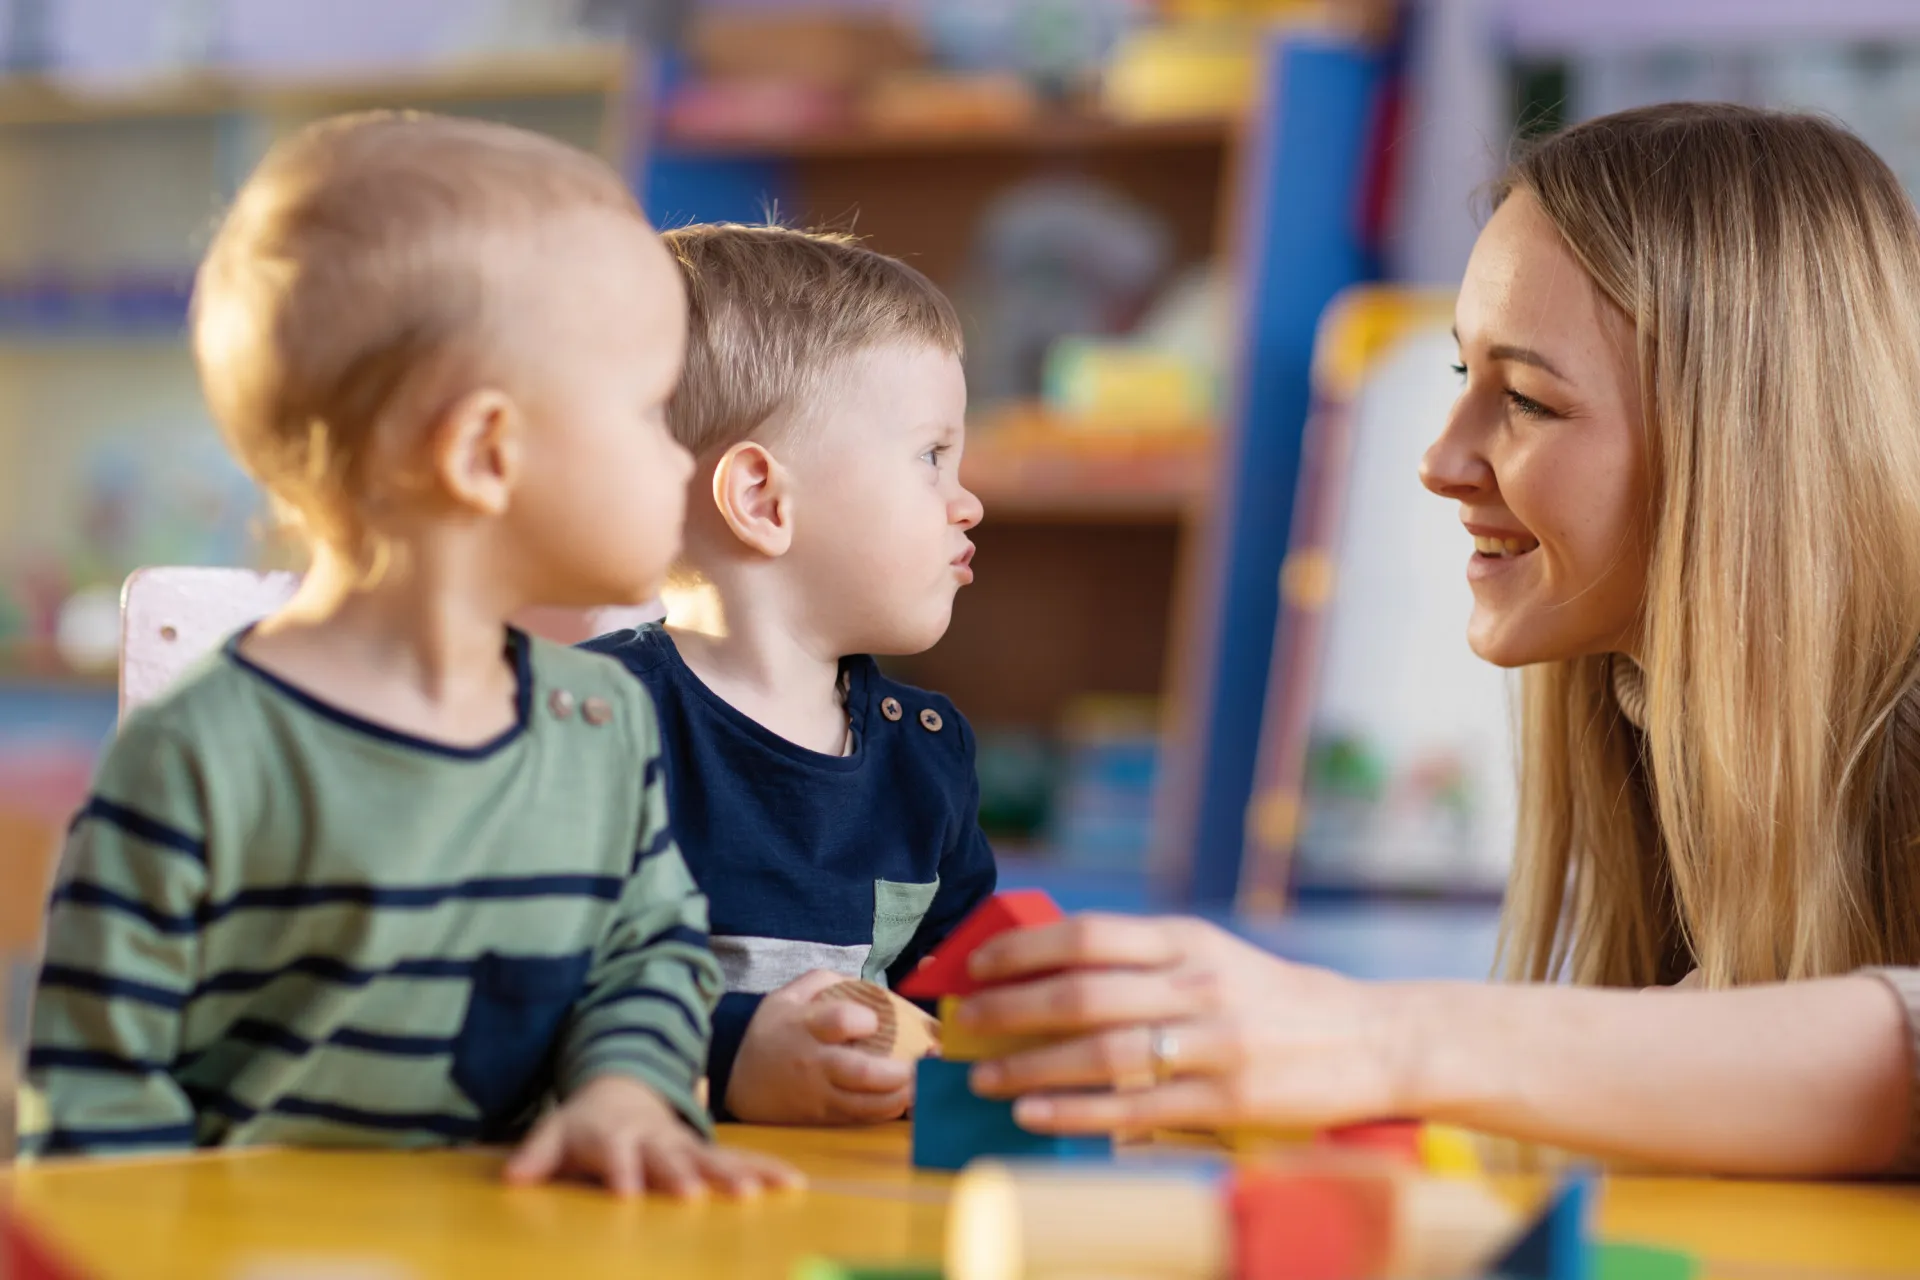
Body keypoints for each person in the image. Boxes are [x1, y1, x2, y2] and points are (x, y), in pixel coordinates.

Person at [953, 103, 1920, 1178]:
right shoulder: (1661, 731)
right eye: (1466, 378)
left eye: (1531, 401)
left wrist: (1379, 1042)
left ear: (1745, 445)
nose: (1440, 459)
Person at [19, 113, 799, 1198]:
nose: (682, 461)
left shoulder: (601, 718)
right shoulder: (194, 757)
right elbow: (97, 1112)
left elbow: (647, 952)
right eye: (650, 412)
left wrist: (625, 1091)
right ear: (485, 452)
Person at [585, 224, 996, 1125]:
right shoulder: (585, 723)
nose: (968, 502)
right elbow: (532, 992)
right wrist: (732, 1056)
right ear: (764, 500)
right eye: (932, 457)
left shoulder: (930, 755)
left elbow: (956, 999)